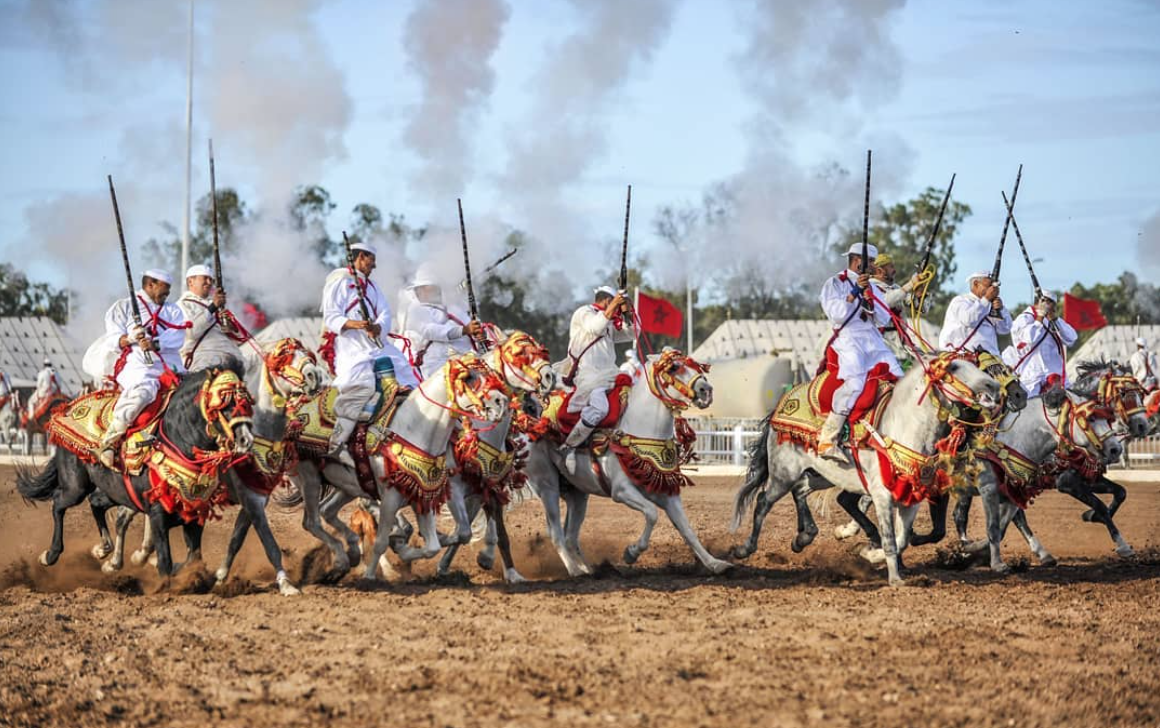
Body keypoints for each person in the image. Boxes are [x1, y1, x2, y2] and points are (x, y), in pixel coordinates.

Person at [320, 241, 419, 455]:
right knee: (361, 384)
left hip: (376, 344)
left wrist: (376, 327)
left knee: (405, 374)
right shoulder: (338, 282)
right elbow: (331, 317)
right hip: (351, 347)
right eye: (371, 260)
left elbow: (385, 314)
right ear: (361, 257)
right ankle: (337, 444)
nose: (373, 266)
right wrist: (355, 324)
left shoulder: (373, 288)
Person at [816, 243, 901, 462]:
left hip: (872, 338)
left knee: (899, 378)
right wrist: (854, 292)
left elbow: (883, 318)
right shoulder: (835, 283)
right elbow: (837, 315)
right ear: (858, 261)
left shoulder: (871, 286)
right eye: (871, 262)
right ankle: (828, 438)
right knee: (855, 383)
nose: (874, 265)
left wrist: (868, 295)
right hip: (848, 338)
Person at [95, 269, 188, 468]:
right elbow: (112, 339)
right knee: (143, 391)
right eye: (165, 288)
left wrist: (155, 343)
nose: (168, 293)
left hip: (171, 364)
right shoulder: (124, 306)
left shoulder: (173, 310)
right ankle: (110, 441)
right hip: (138, 365)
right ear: (150, 284)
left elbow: (179, 336)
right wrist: (130, 338)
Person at [560, 285, 636, 468]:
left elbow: (633, 333)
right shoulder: (584, 312)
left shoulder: (609, 320)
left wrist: (628, 312)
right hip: (589, 374)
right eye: (615, 304)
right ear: (609, 301)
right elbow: (595, 328)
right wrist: (614, 307)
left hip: (610, 374)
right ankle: (569, 447)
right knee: (600, 409)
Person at [397, 264, 481, 380]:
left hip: (466, 359)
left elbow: (472, 326)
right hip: (433, 365)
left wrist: (479, 332)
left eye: (436, 287)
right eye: (419, 288)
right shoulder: (414, 309)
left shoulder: (452, 308)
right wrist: (464, 330)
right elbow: (431, 331)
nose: (418, 291)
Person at [1003, 291, 1077, 397]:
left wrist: (1055, 320)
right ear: (1039, 302)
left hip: (1055, 375)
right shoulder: (1024, 318)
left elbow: (1071, 339)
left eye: (1051, 304)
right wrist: (1040, 317)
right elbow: (1029, 338)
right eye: (1048, 302)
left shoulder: (1054, 320)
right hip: (1031, 376)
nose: (1049, 306)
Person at [178, 264, 244, 371]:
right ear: (191, 281)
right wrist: (213, 307)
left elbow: (240, 339)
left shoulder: (217, 304)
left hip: (231, 357)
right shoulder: (182, 305)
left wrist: (231, 327)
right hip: (203, 357)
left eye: (211, 280)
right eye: (205, 278)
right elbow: (191, 332)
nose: (209, 283)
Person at [939, 271, 1012, 356]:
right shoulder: (960, 301)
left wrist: (1001, 309)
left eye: (994, 287)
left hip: (990, 358)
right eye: (989, 286)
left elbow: (1005, 329)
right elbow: (969, 320)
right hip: (961, 356)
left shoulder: (990, 304)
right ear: (976, 284)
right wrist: (986, 299)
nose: (993, 290)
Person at [870, 252, 924, 366]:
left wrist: (919, 292)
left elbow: (920, 307)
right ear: (880, 271)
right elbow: (886, 301)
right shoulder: (870, 287)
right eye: (891, 267)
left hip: (902, 342)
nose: (894, 270)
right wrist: (910, 284)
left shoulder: (896, 288)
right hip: (883, 343)